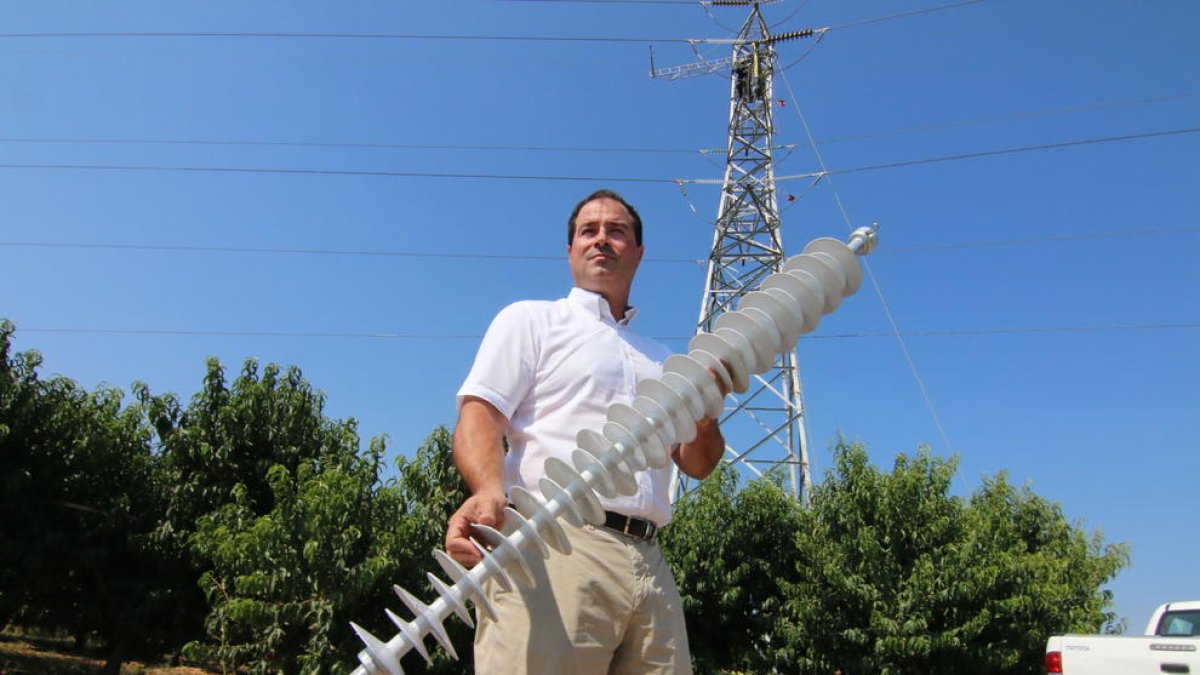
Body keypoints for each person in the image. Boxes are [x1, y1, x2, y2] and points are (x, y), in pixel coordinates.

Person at [444, 189, 727, 674]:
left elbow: (698, 463)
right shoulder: (532, 321)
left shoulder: (665, 361)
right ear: (571, 250)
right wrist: (488, 488)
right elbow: (480, 414)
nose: (602, 240)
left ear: (638, 253)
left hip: (650, 562)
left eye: (617, 231)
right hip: (551, 547)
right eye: (588, 231)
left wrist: (703, 411)